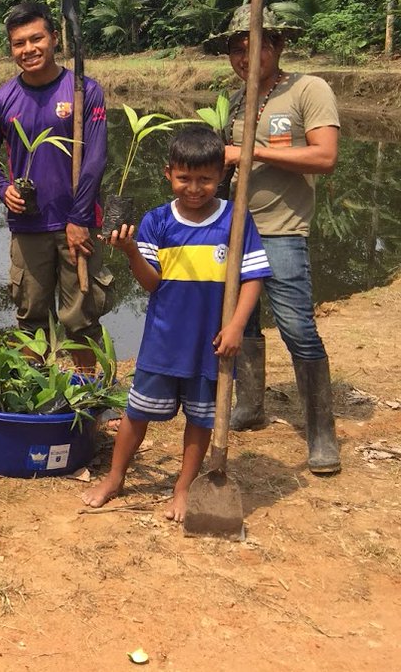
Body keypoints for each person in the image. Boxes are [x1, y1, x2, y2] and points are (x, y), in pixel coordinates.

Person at [82, 126, 271, 521]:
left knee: (202, 419)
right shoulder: (156, 221)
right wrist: (131, 250)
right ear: (168, 174)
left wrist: (237, 325)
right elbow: (152, 283)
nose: (195, 188)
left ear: (221, 174)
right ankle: (115, 477)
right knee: (137, 412)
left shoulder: (236, 221)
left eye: (205, 179)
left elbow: (252, 277)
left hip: (212, 343)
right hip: (163, 340)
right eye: (185, 178)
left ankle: (184, 486)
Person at [202, 5, 341, 474]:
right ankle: (250, 404)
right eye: (236, 50)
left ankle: (321, 433)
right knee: (244, 322)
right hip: (236, 229)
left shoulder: (308, 89)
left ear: (278, 45)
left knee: (298, 327)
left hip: (281, 228)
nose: (245, 57)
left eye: (254, 46)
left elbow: (325, 157)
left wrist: (250, 152)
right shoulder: (236, 99)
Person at [0, 1, 110, 370]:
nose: (28, 49)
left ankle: (89, 394)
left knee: (80, 318)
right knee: (31, 317)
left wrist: (79, 217)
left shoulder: (84, 91)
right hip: (28, 227)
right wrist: (3, 187)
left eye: (36, 39)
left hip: (77, 225)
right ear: (11, 49)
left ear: (54, 39)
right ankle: (31, 396)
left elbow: (96, 158)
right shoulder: (0, 100)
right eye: (19, 43)